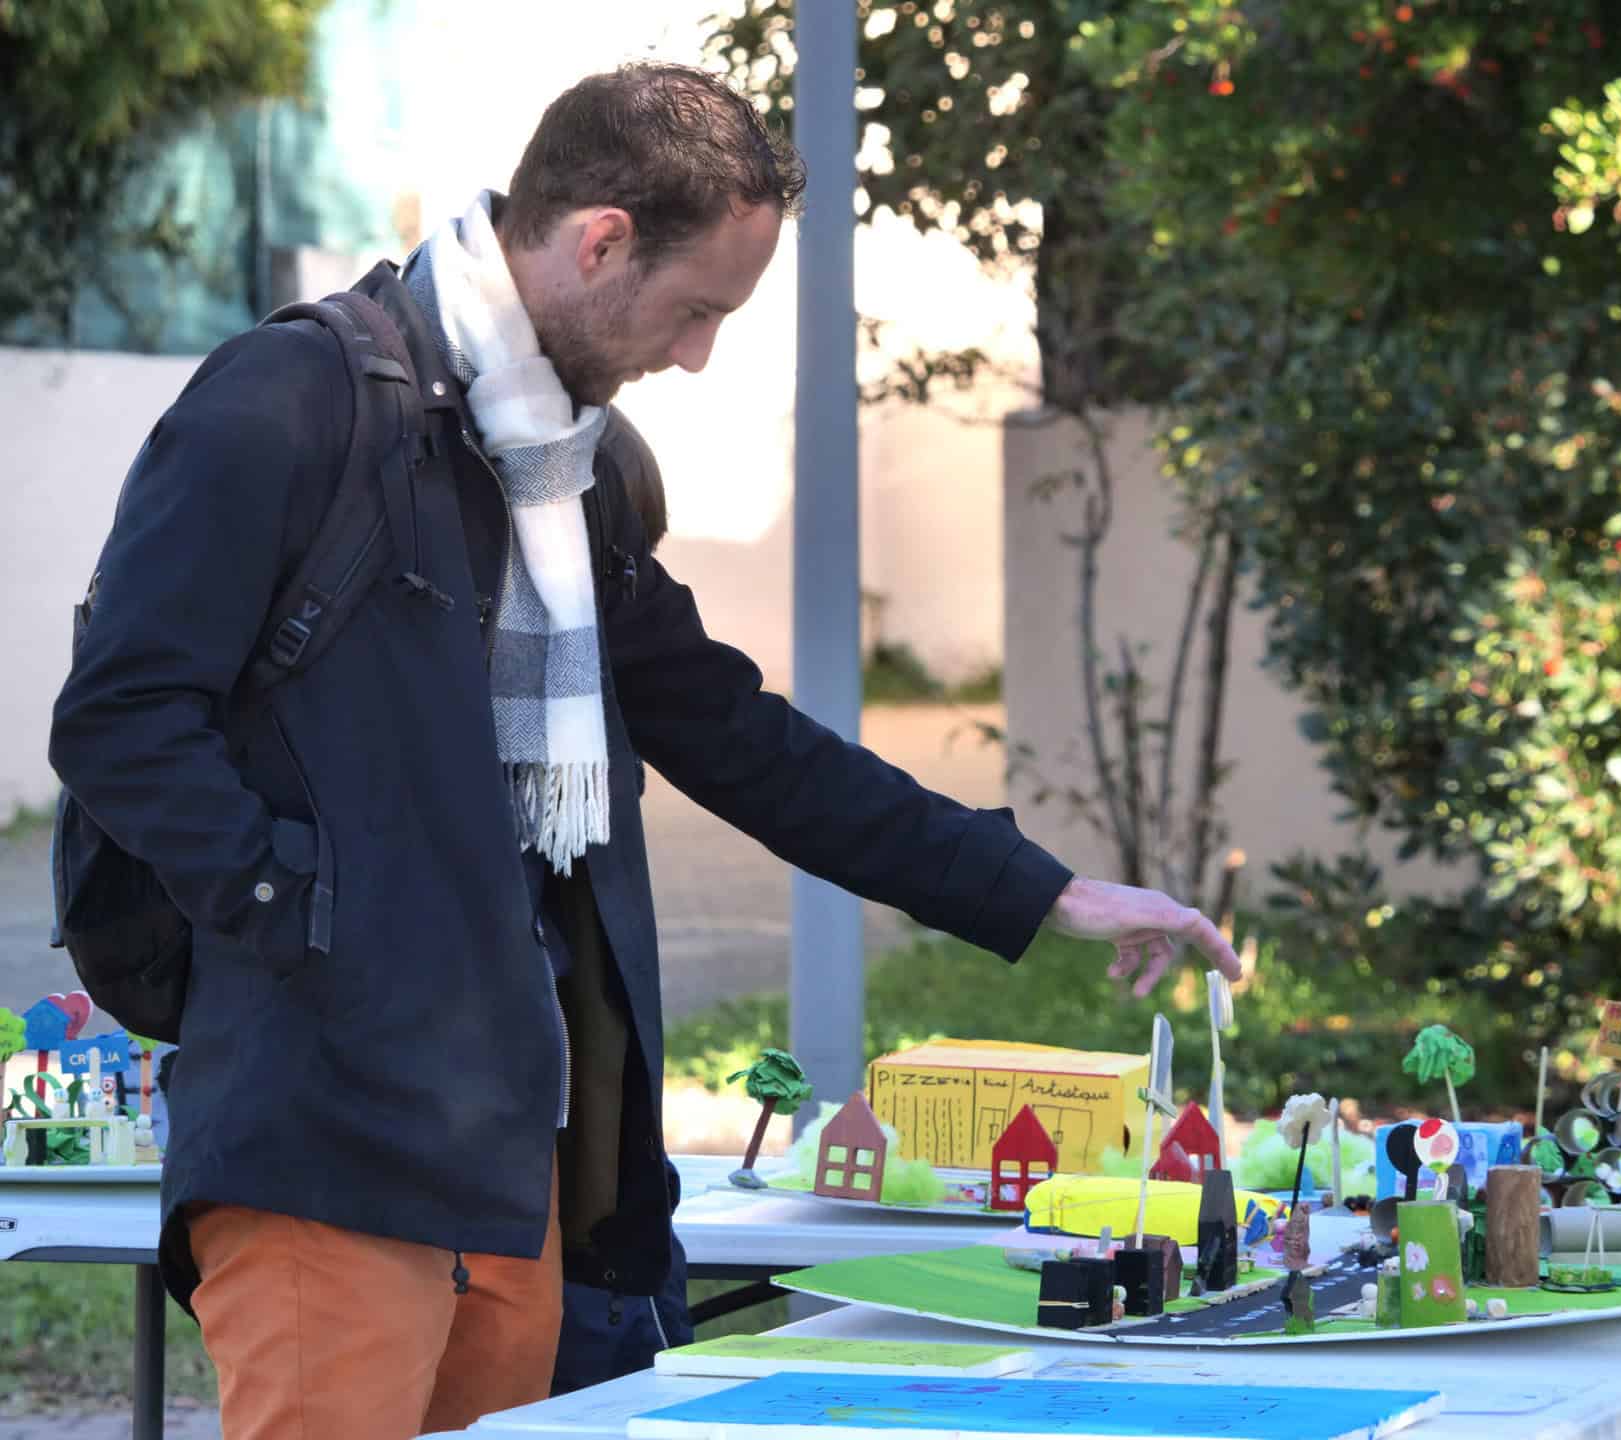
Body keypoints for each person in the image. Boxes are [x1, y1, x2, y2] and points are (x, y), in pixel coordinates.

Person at [48, 62, 1241, 1439]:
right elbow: (121, 715)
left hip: (519, 1154)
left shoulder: (572, 471)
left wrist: (1038, 891)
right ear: (601, 238)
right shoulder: (296, 401)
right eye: (696, 311)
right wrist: (309, 918)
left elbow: (737, 737)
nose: (695, 356)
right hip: (327, 1137)